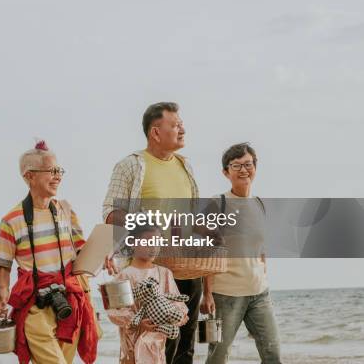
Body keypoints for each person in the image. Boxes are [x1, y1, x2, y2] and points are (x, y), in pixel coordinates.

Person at [103, 102, 201, 364]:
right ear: (155, 132)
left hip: (186, 266)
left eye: (181, 124)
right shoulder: (131, 166)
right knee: (149, 344)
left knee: (184, 342)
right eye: (176, 124)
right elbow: (111, 212)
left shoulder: (185, 166)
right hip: (149, 274)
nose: (182, 129)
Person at [0, 140, 99, 364]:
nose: (58, 176)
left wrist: (102, 254)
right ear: (29, 176)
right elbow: (3, 263)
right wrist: (2, 289)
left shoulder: (66, 210)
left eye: (59, 171)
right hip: (36, 306)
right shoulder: (11, 220)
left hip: (70, 300)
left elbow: (82, 250)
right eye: (52, 171)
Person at [201, 143, 282, 364]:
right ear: (226, 172)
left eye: (248, 164)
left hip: (259, 294)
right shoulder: (217, 204)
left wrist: (263, 277)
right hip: (225, 295)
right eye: (236, 165)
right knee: (217, 357)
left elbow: (261, 250)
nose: (244, 170)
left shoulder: (260, 204)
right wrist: (206, 294)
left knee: (273, 355)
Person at [107, 226, 189, 364]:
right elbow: (114, 311)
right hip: (132, 341)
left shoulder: (164, 273)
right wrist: (137, 321)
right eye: (148, 242)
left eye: (157, 242)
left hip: (159, 341)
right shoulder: (124, 275)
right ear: (133, 243)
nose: (153, 247)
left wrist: (178, 316)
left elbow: (177, 303)